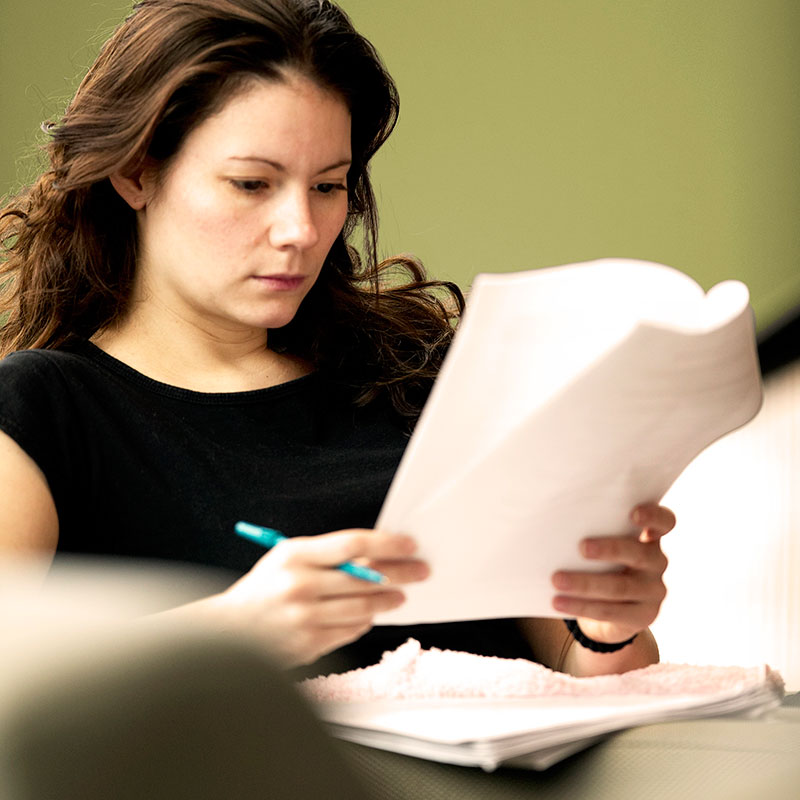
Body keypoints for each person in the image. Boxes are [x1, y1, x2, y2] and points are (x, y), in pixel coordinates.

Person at [0, 0, 674, 679]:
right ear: (137, 173)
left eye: (327, 185)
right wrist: (230, 632)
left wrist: (605, 628)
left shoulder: (418, 375)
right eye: (251, 183)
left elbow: (581, 670)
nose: (300, 228)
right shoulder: (44, 411)